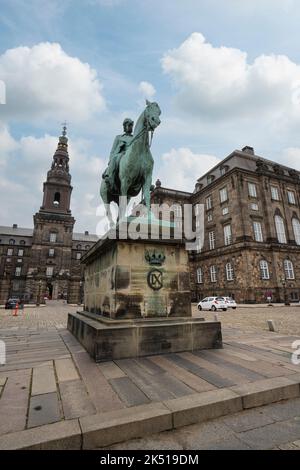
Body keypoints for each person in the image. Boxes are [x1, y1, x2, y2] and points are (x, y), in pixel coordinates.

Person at [102, 118, 134, 193]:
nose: (131, 127)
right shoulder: (119, 137)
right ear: (125, 126)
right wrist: (111, 161)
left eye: (132, 125)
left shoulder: (134, 137)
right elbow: (113, 151)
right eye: (129, 125)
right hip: (122, 155)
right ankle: (109, 175)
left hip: (133, 157)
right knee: (116, 158)